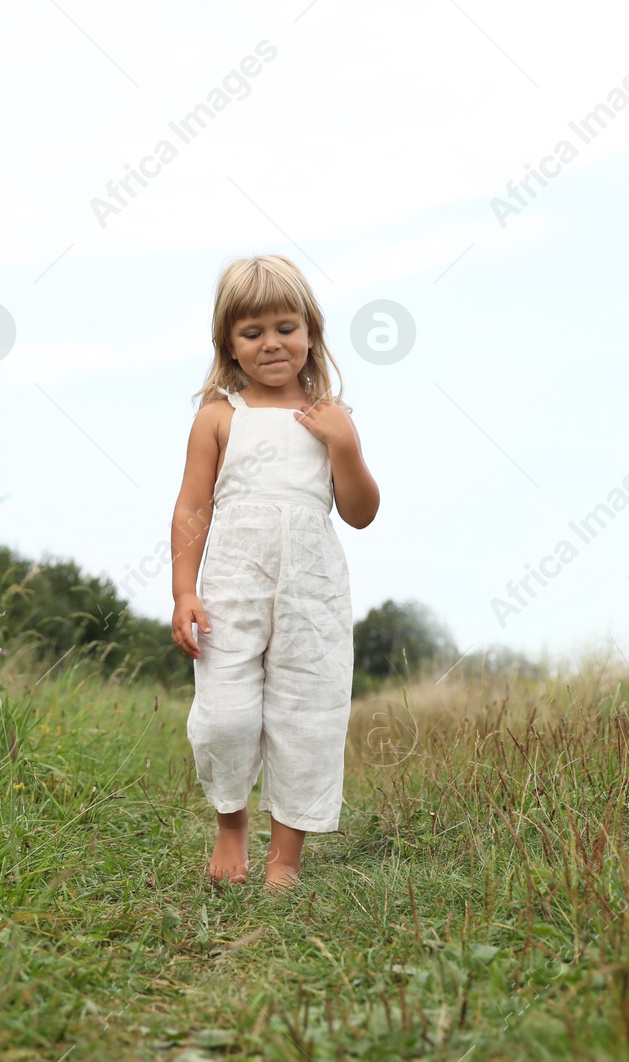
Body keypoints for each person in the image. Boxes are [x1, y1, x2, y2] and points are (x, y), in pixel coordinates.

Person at [170, 253, 380, 891]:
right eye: (252, 332)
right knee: (224, 715)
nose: (272, 343)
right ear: (229, 346)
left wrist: (343, 444)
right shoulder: (218, 416)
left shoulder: (330, 418)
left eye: (285, 327)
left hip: (311, 594)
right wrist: (185, 591)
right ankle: (230, 825)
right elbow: (191, 508)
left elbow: (361, 512)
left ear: (311, 332)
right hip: (233, 587)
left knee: (307, 713)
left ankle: (285, 858)